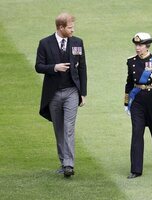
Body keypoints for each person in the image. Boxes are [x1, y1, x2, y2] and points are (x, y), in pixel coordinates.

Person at [35, 12, 87, 178]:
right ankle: (63, 161)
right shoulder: (45, 43)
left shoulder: (78, 42)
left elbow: (82, 69)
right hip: (53, 94)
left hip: (72, 91)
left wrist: (83, 93)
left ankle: (69, 165)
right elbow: (38, 66)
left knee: (69, 127)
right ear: (60, 27)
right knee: (59, 129)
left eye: (73, 27)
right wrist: (54, 67)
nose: (73, 30)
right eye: (70, 27)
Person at [124, 32, 152, 179]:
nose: (137, 48)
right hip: (137, 101)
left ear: (147, 45)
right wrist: (126, 103)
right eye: (136, 45)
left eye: (140, 45)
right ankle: (136, 169)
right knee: (137, 133)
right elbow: (129, 83)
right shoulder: (131, 61)